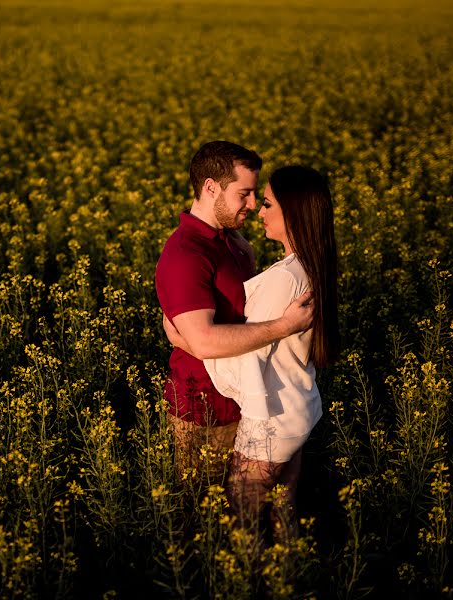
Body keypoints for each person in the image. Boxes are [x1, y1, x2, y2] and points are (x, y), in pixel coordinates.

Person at [164, 165, 339, 532]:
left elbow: (246, 361)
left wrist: (184, 339)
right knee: (282, 513)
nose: (258, 210)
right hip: (298, 409)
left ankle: (250, 579)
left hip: (268, 420)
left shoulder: (283, 278)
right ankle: (290, 575)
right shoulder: (308, 267)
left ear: (291, 214)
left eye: (268, 204)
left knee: (241, 523)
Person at [155, 142, 314, 482]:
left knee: (252, 507)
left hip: (248, 401)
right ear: (211, 187)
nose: (253, 205)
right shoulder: (186, 255)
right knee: (204, 515)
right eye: (244, 193)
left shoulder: (233, 242)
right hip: (204, 412)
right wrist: (284, 326)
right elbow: (205, 343)